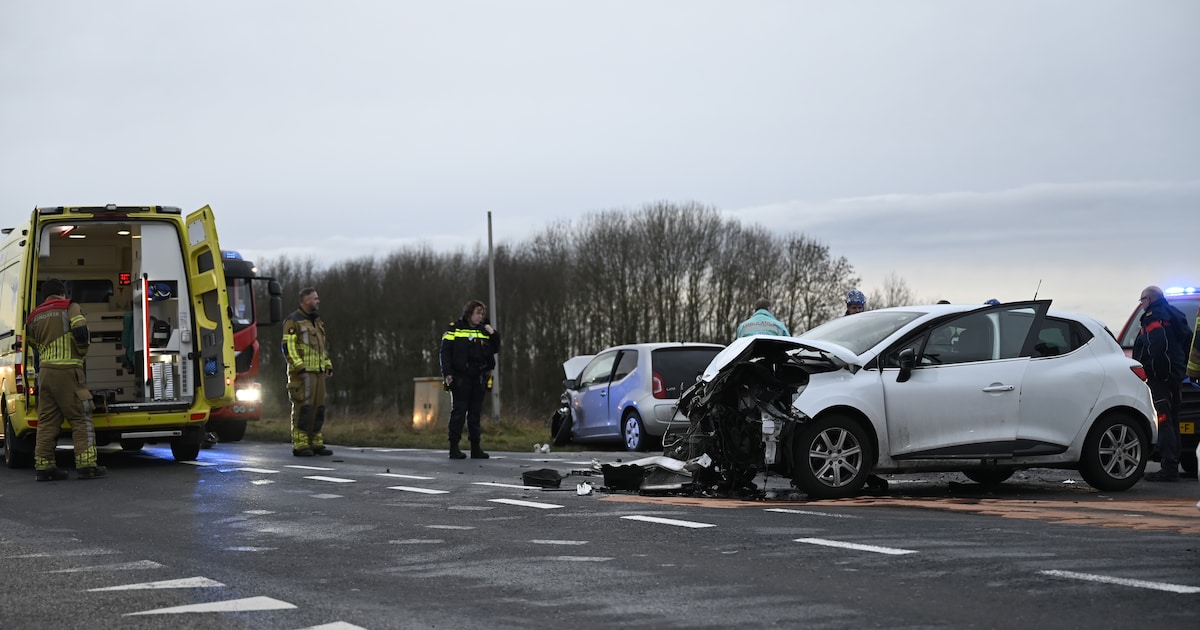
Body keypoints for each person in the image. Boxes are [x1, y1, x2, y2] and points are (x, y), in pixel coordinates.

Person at [27, 279, 105, 480]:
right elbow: (80, 330)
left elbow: (31, 341)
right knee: (81, 416)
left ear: (45, 295)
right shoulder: (69, 306)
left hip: (45, 372)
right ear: (62, 293)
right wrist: (81, 351)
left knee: (47, 421)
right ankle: (87, 465)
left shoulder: (34, 315)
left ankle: (44, 467)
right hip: (69, 371)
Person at [1133, 285, 1191, 482]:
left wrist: (1158, 372)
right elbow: (1187, 340)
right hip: (1176, 374)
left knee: (1164, 420)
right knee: (1174, 419)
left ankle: (1168, 468)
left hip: (1161, 377)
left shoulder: (1153, 316)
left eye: (1142, 300)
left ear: (1149, 299)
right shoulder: (1175, 313)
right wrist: (1179, 367)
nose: (1141, 304)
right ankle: (1173, 463)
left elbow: (1157, 345)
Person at [440, 300, 500, 459]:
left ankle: (475, 447)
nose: (480, 317)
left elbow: (496, 348)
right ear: (469, 313)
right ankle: (454, 447)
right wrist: (447, 373)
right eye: (478, 313)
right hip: (461, 376)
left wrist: (493, 333)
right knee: (459, 412)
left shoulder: (483, 330)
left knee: (475, 414)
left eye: (482, 314)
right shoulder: (454, 328)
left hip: (478, 377)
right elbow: (445, 352)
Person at [282, 287, 334, 457]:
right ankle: (300, 444)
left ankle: (316, 442)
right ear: (305, 301)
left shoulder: (317, 321)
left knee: (318, 408)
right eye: (314, 298)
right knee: (303, 408)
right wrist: (299, 367)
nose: (318, 301)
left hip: (318, 373)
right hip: (302, 374)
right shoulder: (293, 321)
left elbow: (322, 348)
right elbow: (288, 347)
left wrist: (327, 364)